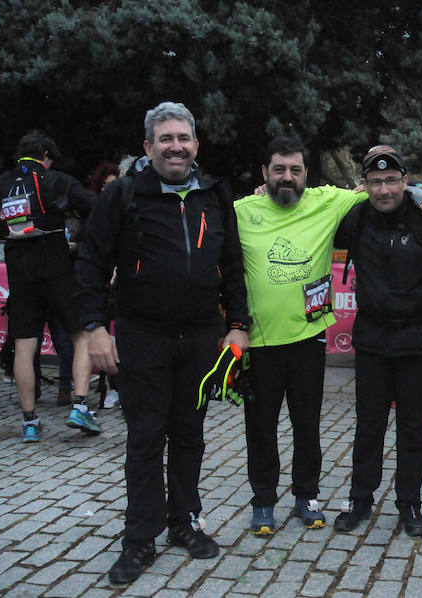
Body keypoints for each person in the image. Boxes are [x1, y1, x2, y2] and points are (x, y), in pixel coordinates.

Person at [76, 102, 251, 585]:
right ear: (148, 147)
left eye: (184, 138)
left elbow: (233, 264)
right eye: (166, 139)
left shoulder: (214, 195)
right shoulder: (125, 195)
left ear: (196, 144)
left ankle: (184, 522)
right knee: (146, 438)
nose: (176, 146)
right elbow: (90, 261)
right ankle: (139, 537)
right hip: (142, 336)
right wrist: (93, 328)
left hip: (199, 337)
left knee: (190, 434)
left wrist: (238, 324)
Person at [236, 138, 422, 535]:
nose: (287, 177)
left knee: (307, 425)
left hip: (309, 338)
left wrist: (419, 192)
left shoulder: (328, 201)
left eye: (295, 170)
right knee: (260, 427)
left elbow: (381, 188)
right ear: (264, 173)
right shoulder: (243, 211)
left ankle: (306, 496)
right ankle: (263, 501)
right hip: (258, 343)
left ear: (307, 174)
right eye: (278, 170)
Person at [331, 145, 422, 537]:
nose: (384, 189)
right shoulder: (355, 219)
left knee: (412, 428)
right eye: (376, 182)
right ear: (365, 185)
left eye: (392, 180)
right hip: (373, 337)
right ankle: (360, 499)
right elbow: (310, 219)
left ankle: (410, 504)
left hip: (418, 338)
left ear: (405, 182)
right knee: (368, 426)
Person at [0, 130, 97, 441]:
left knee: (24, 343)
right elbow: (95, 208)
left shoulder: (1, 184)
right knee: (81, 335)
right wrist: (83, 240)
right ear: (45, 156)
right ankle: (80, 406)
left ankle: (29, 421)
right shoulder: (56, 180)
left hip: (20, 272)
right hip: (57, 268)